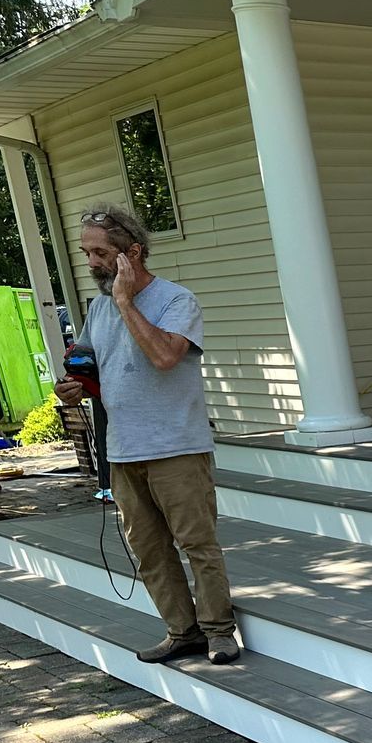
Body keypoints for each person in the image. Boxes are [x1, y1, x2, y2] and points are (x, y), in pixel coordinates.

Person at [53, 206, 239, 665]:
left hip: (177, 444)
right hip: (123, 448)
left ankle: (219, 632)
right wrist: (74, 388)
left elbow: (163, 358)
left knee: (197, 543)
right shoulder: (97, 308)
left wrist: (124, 302)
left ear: (131, 253)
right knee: (149, 550)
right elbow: (91, 367)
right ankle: (182, 632)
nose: (91, 262)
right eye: (86, 253)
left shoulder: (177, 301)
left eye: (100, 252)